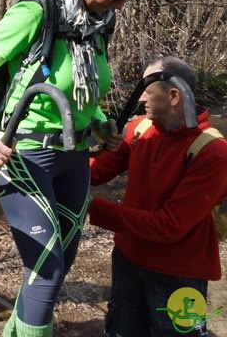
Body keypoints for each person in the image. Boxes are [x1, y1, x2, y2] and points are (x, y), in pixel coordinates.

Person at [0, 0, 153, 337]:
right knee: (46, 269)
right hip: (25, 154)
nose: (119, 4)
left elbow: (83, 94)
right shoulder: (36, 13)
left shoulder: (101, 22)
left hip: (75, 157)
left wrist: (104, 127)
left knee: (58, 264)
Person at [89, 56, 227, 337]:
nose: (141, 99)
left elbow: (169, 225)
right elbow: (96, 172)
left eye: (148, 91)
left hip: (180, 273)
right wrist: (47, 168)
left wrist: (88, 207)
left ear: (173, 96)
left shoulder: (212, 152)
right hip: (128, 258)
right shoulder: (141, 129)